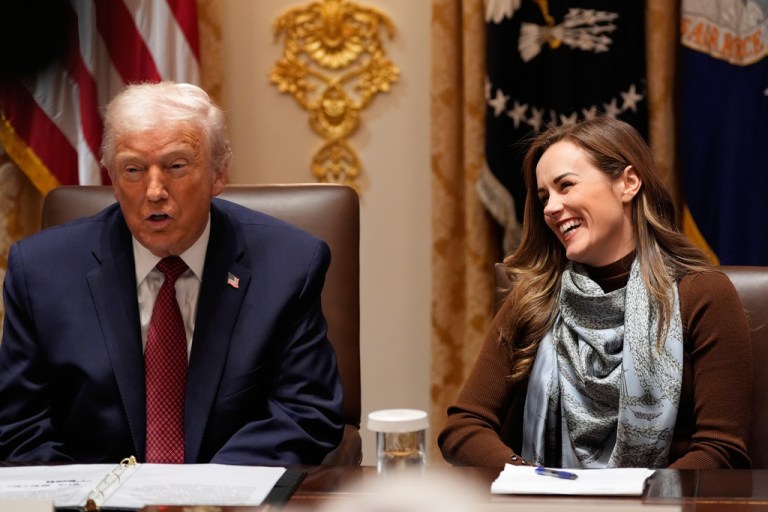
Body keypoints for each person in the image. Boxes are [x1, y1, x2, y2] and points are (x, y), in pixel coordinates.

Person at [0, 81, 344, 465]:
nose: (154, 191)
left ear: (218, 173)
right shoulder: (41, 271)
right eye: (132, 170)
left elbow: (307, 413)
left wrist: (203, 494)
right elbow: (19, 425)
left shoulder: (288, 265)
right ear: (112, 179)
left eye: (175, 166)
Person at [438, 117, 752, 469]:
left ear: (628, 184)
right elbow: (463, 428)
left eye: (566, 186)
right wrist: (534, 483)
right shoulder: (534, 298)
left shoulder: (702, 294)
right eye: (544, 196)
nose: (550, 208)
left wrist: (632, 501)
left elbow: (720, 450)